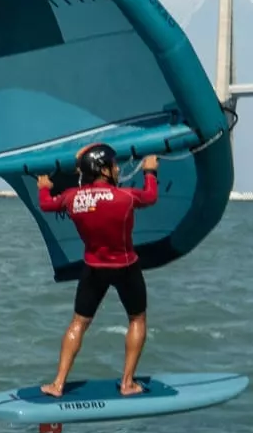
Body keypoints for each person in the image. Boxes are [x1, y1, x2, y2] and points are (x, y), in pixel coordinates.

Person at [33, 143, 160, 398]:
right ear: (103, 170)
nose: (116, 169)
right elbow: (151, 196)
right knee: (137, 319)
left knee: (78, 323)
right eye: (113, 165)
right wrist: (150, 171)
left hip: (93, 268)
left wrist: (44, 187)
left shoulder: (72, 197)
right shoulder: (125, 197)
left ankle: (58, 384)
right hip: (126, 267)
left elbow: (47, 205)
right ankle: (127, 383)